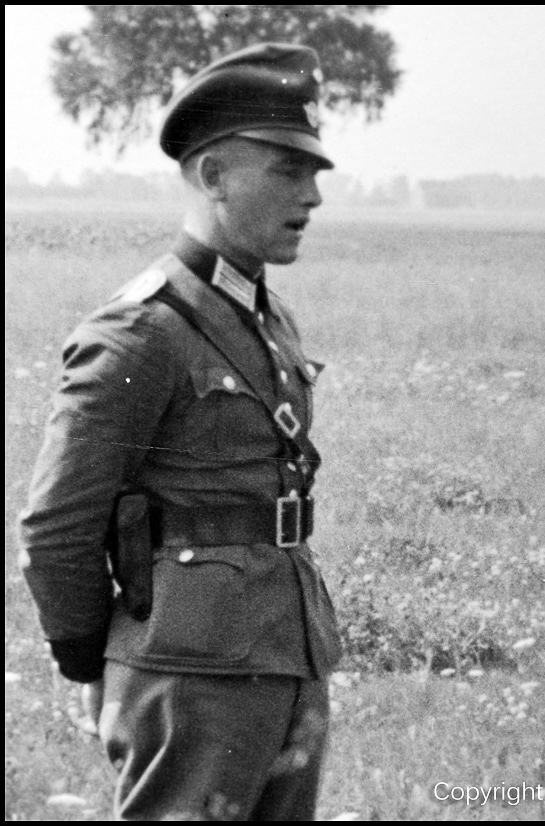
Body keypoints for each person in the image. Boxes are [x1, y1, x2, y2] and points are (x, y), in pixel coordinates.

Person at [18, 43, 342, 821]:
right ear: (214, 176)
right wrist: (86, 657)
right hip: (189, 674)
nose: (313, 196)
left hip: (286, 656)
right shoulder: (140, 331)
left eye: (315, 175)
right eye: (287, 172)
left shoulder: (264, 317)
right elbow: (56, 525)